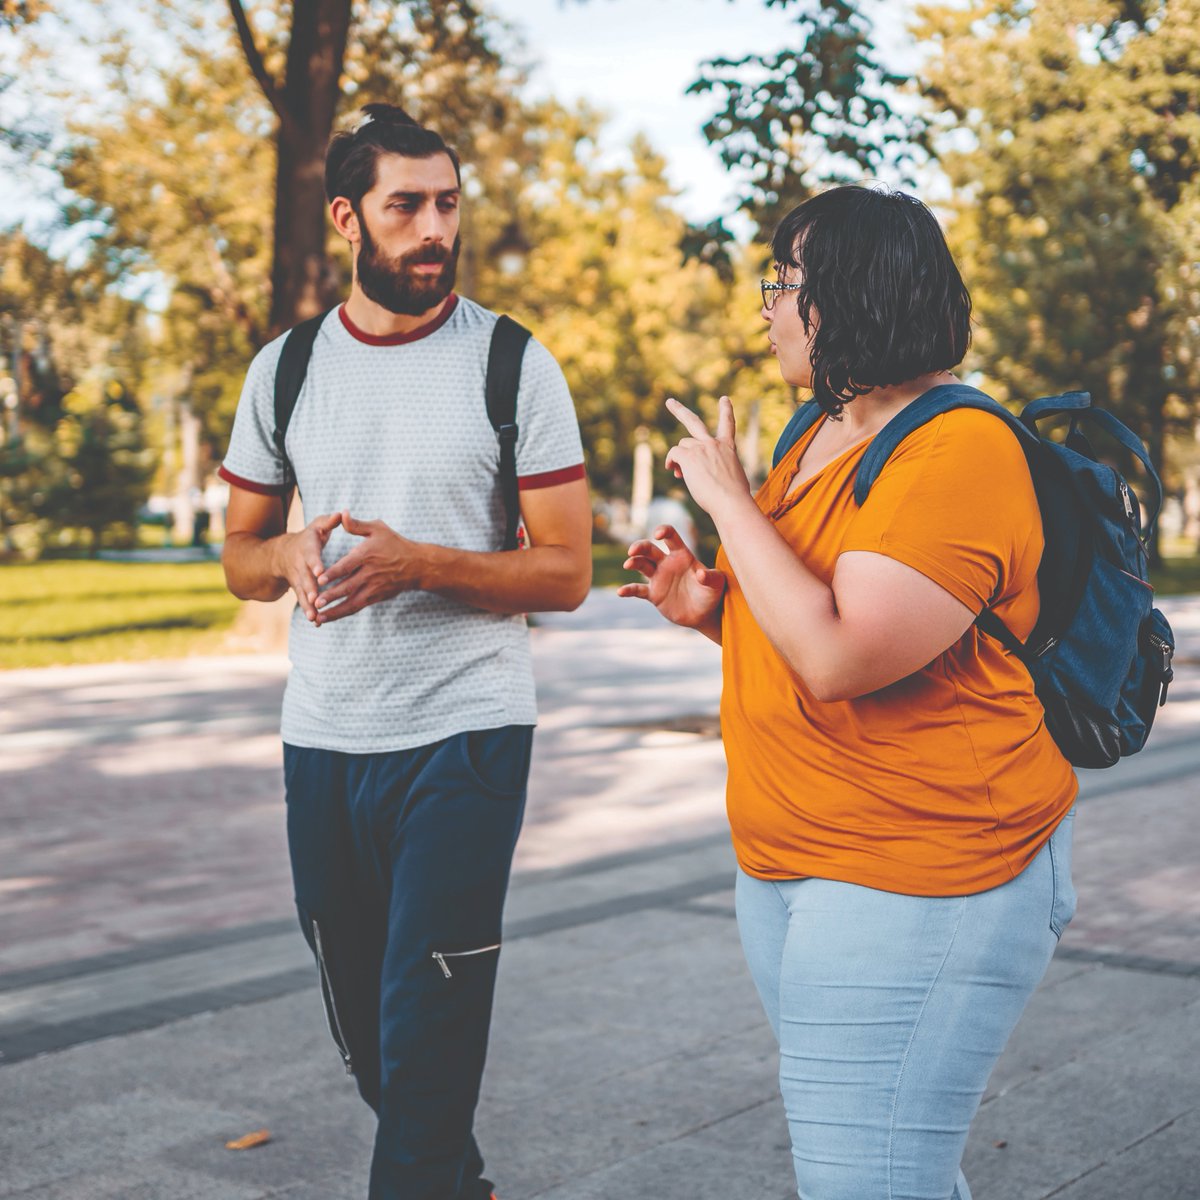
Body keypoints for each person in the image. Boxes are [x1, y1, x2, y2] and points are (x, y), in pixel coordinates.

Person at [619, 185, 1077, 1200]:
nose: (768, 308)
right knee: (888, 1173)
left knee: (866, 1183)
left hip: (926, 867)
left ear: (853, 296)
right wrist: (709, 608)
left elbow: (839, 655)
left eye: (784, 284)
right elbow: (793, 622)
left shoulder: (957, 448)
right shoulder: (811, 434)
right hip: (794, 861)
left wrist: (729, 504)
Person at [219, 104, 591, 1200]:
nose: (436, 228)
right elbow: (239, 557)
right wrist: (283, 550)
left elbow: (567, 571)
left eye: (448, 203)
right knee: (372, 1041)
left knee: (427, 1027)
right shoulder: (282, 372)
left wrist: (419, 563)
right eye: (407, 206)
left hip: (466, 738)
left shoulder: (515, 365)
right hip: (325, 739)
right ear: (348, 218)